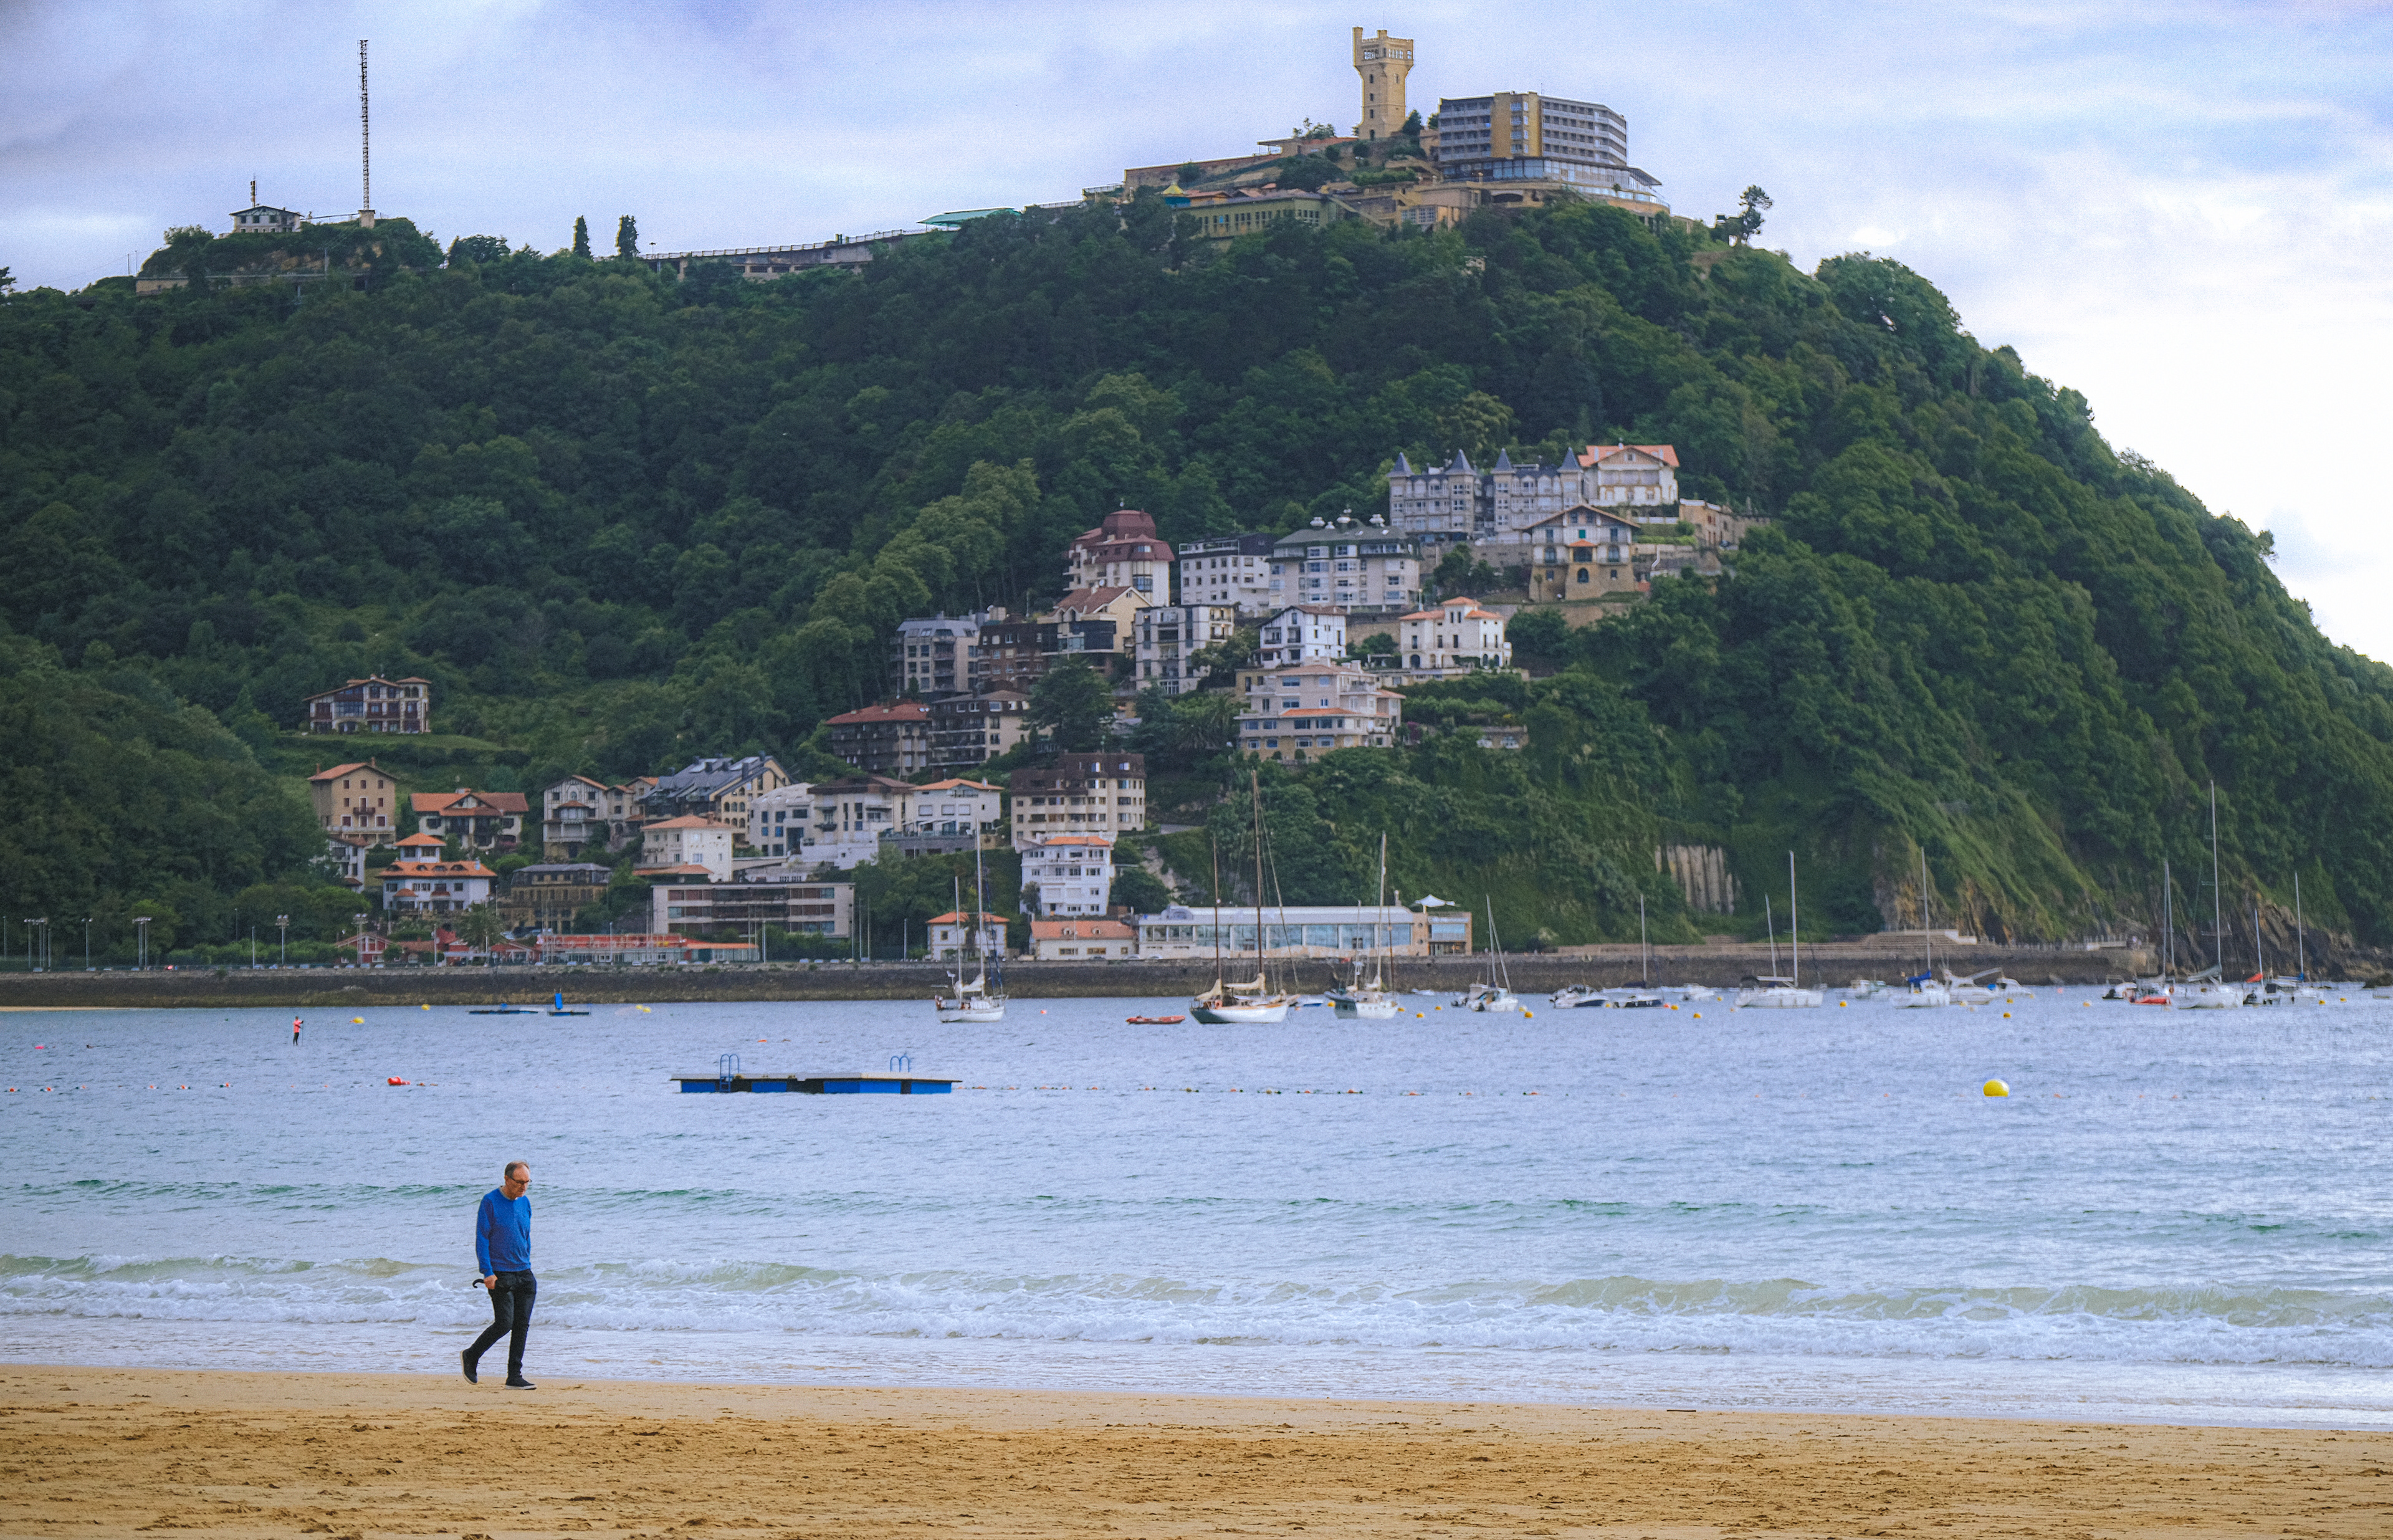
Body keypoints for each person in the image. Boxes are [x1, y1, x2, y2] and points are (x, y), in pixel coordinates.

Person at [463, 1160, 536, 1388]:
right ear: (507, 1180)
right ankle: (471, 1355)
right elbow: (482, 1238)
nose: (524, 1187)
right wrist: (487, 1272)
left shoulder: (525, 1203)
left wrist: (526, 1260)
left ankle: (514, 1376)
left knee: (522, 1325)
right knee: (505, 1322)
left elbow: (525, 1235)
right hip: (500, 1274)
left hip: (524, 1272)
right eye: (519, 1182)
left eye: (527, 1182)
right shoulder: (490, 1202)